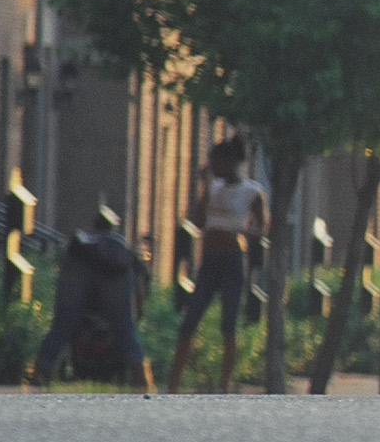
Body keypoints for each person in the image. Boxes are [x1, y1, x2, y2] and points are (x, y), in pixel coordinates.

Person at [170, 136, 268, 392]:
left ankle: (225, 384)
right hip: (209, 260)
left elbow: (262, 227)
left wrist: (244, 233)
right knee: (190, 319)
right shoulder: (214, 188)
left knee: (229, 323)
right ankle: (173, 384)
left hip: (232, 260)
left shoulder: (252, 191)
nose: (212, 166)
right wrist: (205, 187)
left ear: (230, 162)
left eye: (216, 162)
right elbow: (199, 221)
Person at [31, 206, 154, 390]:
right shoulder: (118, 248)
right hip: (115, 272)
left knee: (63, 324)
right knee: (124, 327)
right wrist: (139, 309)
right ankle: (142, 379)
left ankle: (40, 373)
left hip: (77, 268)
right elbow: (137, 293)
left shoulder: (81, 247)